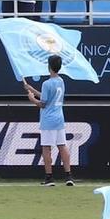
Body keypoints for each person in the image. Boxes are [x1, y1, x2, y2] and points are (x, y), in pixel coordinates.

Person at [26, 54, 73, 187]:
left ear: (49, 66)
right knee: (62, 146)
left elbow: (43, 103)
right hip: (59, 119)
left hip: (48, 120)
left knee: (46, 148)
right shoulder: (61, 81)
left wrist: (32, 99)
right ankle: (69, 176)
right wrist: (32, 90)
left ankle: (49, 177)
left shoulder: (47, 83)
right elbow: (48, 97)